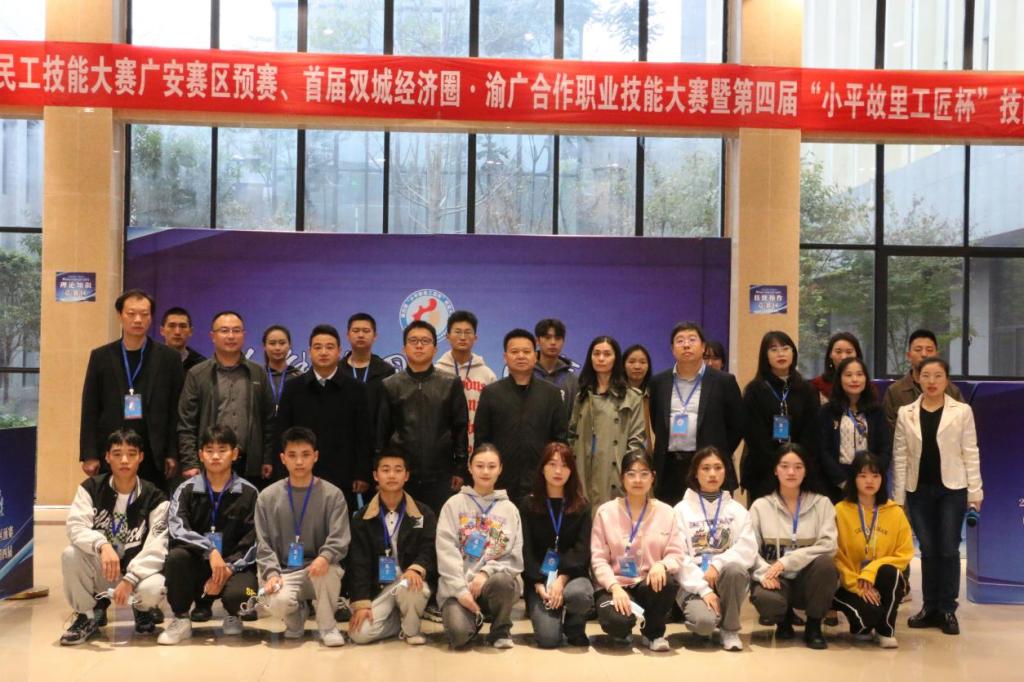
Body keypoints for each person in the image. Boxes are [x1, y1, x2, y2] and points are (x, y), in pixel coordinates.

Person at [893, 357, 982, 636]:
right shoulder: (906, 412)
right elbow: (900, 456)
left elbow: (971, 451)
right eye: (926, 375)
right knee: (928, 549)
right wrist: (898, 499)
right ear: (917, 378)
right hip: (917, 490)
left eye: (938, 375)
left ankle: (947, 608)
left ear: (946, 380)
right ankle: (929, 607)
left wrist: (975, 491)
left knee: (948, 548)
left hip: (952, 489)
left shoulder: (962, 411)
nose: (931, 381)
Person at [60, 429, 169, 645]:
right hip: (104, 568)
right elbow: (75, 527)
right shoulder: (91, 488)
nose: (124, 460)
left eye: (131, 454)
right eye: (117, 454)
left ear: (141, 457)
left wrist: (131, 578)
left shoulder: (155, 496)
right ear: (107, 457)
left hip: (137, 573)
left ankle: (142, 609)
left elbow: (158, 546)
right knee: (71, 554)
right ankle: (87, 615)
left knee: (153, 589)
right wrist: (101, 545)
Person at [159, 425, 260, 644]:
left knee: (247, 595)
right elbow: (177, 529)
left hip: (235, 568)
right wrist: (210, 550)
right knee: (176, 558)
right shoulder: (185, 490)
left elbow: (254, 542)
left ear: (235, 454)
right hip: (198, 565)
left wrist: (228, 568)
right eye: (209, 450)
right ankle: (181, 618)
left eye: (222, 450)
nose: (215, 456)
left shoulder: (250, 493)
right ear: (200, 455)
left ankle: (234, 614)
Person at [80, 289, 185, 488]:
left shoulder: (169, 358)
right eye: (131, 314)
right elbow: (90, 408)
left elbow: (176, 409)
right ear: (120, 316)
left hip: (155, 453)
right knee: (111, 502)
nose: (138, 320)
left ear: (151, 318)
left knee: (153, 503)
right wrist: (89, 454)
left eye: (144, 314)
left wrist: (173, 452)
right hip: (111, 450)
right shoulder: (101, 356)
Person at [255, 427, 350, 646]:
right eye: (292, 455)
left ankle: (327, 626)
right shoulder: (267, 497)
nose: (299, 462)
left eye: (305, 455)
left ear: (315, 456)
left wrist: (325, 557)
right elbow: (263, 543)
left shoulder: (333, 495)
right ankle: (295, 616)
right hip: (284, 571)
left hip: (318, 568)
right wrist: (271, 573)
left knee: (329, 571)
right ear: (283, 458)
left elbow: (339, 537)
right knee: (275, 601)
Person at [591, 452, 686, 652]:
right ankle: (623, 627)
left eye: (644, 474)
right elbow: (598, 559)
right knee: (616, 622)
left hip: (648, 582)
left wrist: (662, 564)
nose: (637, 480)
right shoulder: (606, 512)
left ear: (652, 477)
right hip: (615, 584)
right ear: (622, 478)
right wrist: (614, 587)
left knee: (667, 582)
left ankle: (653, 633)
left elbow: (676, 553)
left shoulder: (666, 512)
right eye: (631, 474)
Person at [749, 444, 838, 650]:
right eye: (785, 466)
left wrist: (788, 561)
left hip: (809, 579)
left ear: (806, 471)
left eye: (798, 467)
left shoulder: (822, 504)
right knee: (767, 600)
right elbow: (750, 550)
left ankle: (814, 626)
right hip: (776, 579)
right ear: (775, 469)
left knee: (826, 565)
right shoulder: (760, 506)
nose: (791, 472)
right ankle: (784, 620)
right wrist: (763, 573)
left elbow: (829, 545)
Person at [275, 324, 371, 513]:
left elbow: (364, 434)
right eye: (318, 347)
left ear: (339, 351)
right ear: (310, 351)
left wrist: (362, 472)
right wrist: (282, 471)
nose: (324, 352)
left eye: (330, 347)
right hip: (301, 472)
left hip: (343, 475)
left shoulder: (356, 389)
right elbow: (282, 431)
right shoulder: (293, 388)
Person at [436, 444, 523, 649]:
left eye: (492, 466)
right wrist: (461, 590)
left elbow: (514, 557)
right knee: (458, 636)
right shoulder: (453, 505)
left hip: (492, 583)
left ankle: (500, 629)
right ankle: (473, 618)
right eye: (480, 465)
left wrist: (485, 573)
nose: (485, 471)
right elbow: (446, 551)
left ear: (500, 469)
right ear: (470, 467)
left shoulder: (509, 509)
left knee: (503, 581)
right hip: (459, 587)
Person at [377, 321, 469, 515]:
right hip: (402, 475)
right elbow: (382, 433)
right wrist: (380, 470)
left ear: (435, 349)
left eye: (425, 341)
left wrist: (460, 469)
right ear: (404, 349)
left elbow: (460, 429)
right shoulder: (390, 385)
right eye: (413, 341)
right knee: (403, 527)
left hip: (441, 475)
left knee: (439, 527)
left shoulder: (450, 383)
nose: (419, 346)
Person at [347, 447, 437, 646]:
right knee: (359, 635)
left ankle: (411, 630)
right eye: (385, 470)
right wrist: (361, 603)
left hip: (411, 582)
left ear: (406, 475)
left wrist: (416, 568)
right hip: (381, 588)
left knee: (410, 585)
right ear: (375, 475)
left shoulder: (423, 513)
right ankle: (398, 621)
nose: (392, 475)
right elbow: (358, 563)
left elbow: (429, 548)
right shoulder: (362, 518)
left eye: (398, 470)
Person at [650, 322, 744, 506]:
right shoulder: (659, 382)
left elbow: (737, 425)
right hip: (670, 468)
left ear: (703, 347)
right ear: (672, 349)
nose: (686, 345)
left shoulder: (723, 381)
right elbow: (656, 421)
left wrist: (717, 452)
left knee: (711, 519)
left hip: (709, 466)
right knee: (671, 519)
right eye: (680, 341)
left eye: (692, 340)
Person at [178, 311, 275, 487]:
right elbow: (186, 423)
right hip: (210, 461)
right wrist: (190, 462)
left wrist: (268, 458)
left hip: (249, 463)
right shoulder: (197, 374)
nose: (231, 336)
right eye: (224, 331)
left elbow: (269, 420)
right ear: (212, 336)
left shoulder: (258, 372)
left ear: (244, 335)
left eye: (236, 331)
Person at [673, 446, 756, 652]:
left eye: (718, 468)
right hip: (693, 583)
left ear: (726, 471)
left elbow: (747, 549)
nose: (712, 474)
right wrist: (704, 589)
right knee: (704, 624)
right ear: (695, 472)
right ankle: (708, 617)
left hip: (726, 580)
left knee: (735, 569)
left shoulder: (737, 510)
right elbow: (679, 555)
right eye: (706, 468)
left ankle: (730, 629)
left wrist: (717, 565)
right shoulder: (680, 510)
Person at [470, 329, 567, 504]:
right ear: (505, 357)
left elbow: (560, 441)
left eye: (526, 351)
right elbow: (482, 440)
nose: (521, 356)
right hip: (499, 484)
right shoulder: (491, 393)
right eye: (514, 352)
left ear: (535, 356)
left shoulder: (551, 394)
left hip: (540, 483)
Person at [832, 452, 913, 648]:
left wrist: (871, 569)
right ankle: (863, 626)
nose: (870, 481)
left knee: (891, 572)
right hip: (850, 583)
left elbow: (904, 554)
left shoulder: (895, 512)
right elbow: (835, 556)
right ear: (854, 478)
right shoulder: (840, 511)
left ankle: (886, 630)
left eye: (875, 475)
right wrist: (856, 584)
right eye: (863, 475)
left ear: (882, 479)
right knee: (867, 619)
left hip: (882, 580)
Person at [519, 442, 594, 648]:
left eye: (564, 465)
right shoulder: (528, 504)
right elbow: (526, 550)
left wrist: (561, 580)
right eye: (552, 464)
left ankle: (574, 626)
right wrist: (538, 585)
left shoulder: (581, 506)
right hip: (539, 579)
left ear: (572, 470)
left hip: (571, 576)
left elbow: (581, 551)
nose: (558, 471)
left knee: (579, 595)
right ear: (542, 468)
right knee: (548, 639)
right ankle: (551, 616)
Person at [740, 331, 820, 504]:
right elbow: (754, 436)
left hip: (799, 471)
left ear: (793, 353)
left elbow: (812, 432)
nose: (781, 354)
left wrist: (795, 463)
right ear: (765, 356)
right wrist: (778, 466)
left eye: (785, 348)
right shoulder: (754, 391)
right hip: (762, 472)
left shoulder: (807, 390)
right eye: (774, 349)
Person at [568, 335, 645, 511]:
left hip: (614, 471)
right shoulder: (582, 396)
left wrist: (629, 471)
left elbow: (636, 440)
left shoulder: (631, 397)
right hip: (583, 469)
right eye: (596, 354)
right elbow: (572, 434)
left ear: (616, 359)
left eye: (607, 354)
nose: (601, 358)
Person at [818, 357, 890, 502]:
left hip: (870, 481)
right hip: (835, 483)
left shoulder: (876, 411)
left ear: (866, 378)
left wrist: (873, 475)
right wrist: (843, 481)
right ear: (839, 379)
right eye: (848, 375)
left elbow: (885, 448)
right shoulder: (828, 411)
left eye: (859, 374)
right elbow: (822, 450)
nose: (854, 379)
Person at [436, 310, 498, 454]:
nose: (463, 337)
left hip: (478, 448)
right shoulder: (437, 372)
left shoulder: (487, 375)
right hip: (444, 449)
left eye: (468, 332)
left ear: (475, 338)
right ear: (447, 336)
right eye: (457, 332)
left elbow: (494, 416)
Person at [882, 328, 964, 434]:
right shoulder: (895, 391)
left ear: (936, 355)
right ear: (909, 356)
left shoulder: (952, 391)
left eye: (929, 350)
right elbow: (888, 431)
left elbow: (962, 426)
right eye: (918, 350)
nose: (924, 354)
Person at [342, 312, 399, 437]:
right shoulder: (337, 370)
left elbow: (388, 415)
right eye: (356, 331)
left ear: (375, 336)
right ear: (348, 335)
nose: (360, 335)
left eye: (366, 331)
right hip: (342, 440)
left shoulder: (386, 371)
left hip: (375, 442)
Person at [534, 318, 579, 419]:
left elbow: (576, 419)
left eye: (558, 338)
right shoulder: (525, 375)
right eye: (547, 337)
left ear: (563, 342)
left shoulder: (573, 381)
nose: (553, 342)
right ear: (537, 341)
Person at [809, 332, 863, 404]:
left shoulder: (866, 387)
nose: (843, 357)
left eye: (849, 352)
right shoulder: (816, 386)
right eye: (838, 352)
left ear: (857, 354)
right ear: (830, 354)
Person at [263, 325, 303, 416]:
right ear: (264, 346)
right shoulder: (258, 376)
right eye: (272, 343)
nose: (277, 348)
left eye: (282, 343)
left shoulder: (300, 377)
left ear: (289, 345)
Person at [623, 344, 654, 457]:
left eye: (642, 362)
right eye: (631, 362)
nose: (637, 366)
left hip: (649, 456)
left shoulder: (654, 394)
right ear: (623, 365)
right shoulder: (615, 395)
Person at [159, 306, 206, 372]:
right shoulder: (150, 360)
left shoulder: (202, 366)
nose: (177, 332)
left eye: (183, 326)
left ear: (190, 331)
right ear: (162, 331)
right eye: (172, 326)